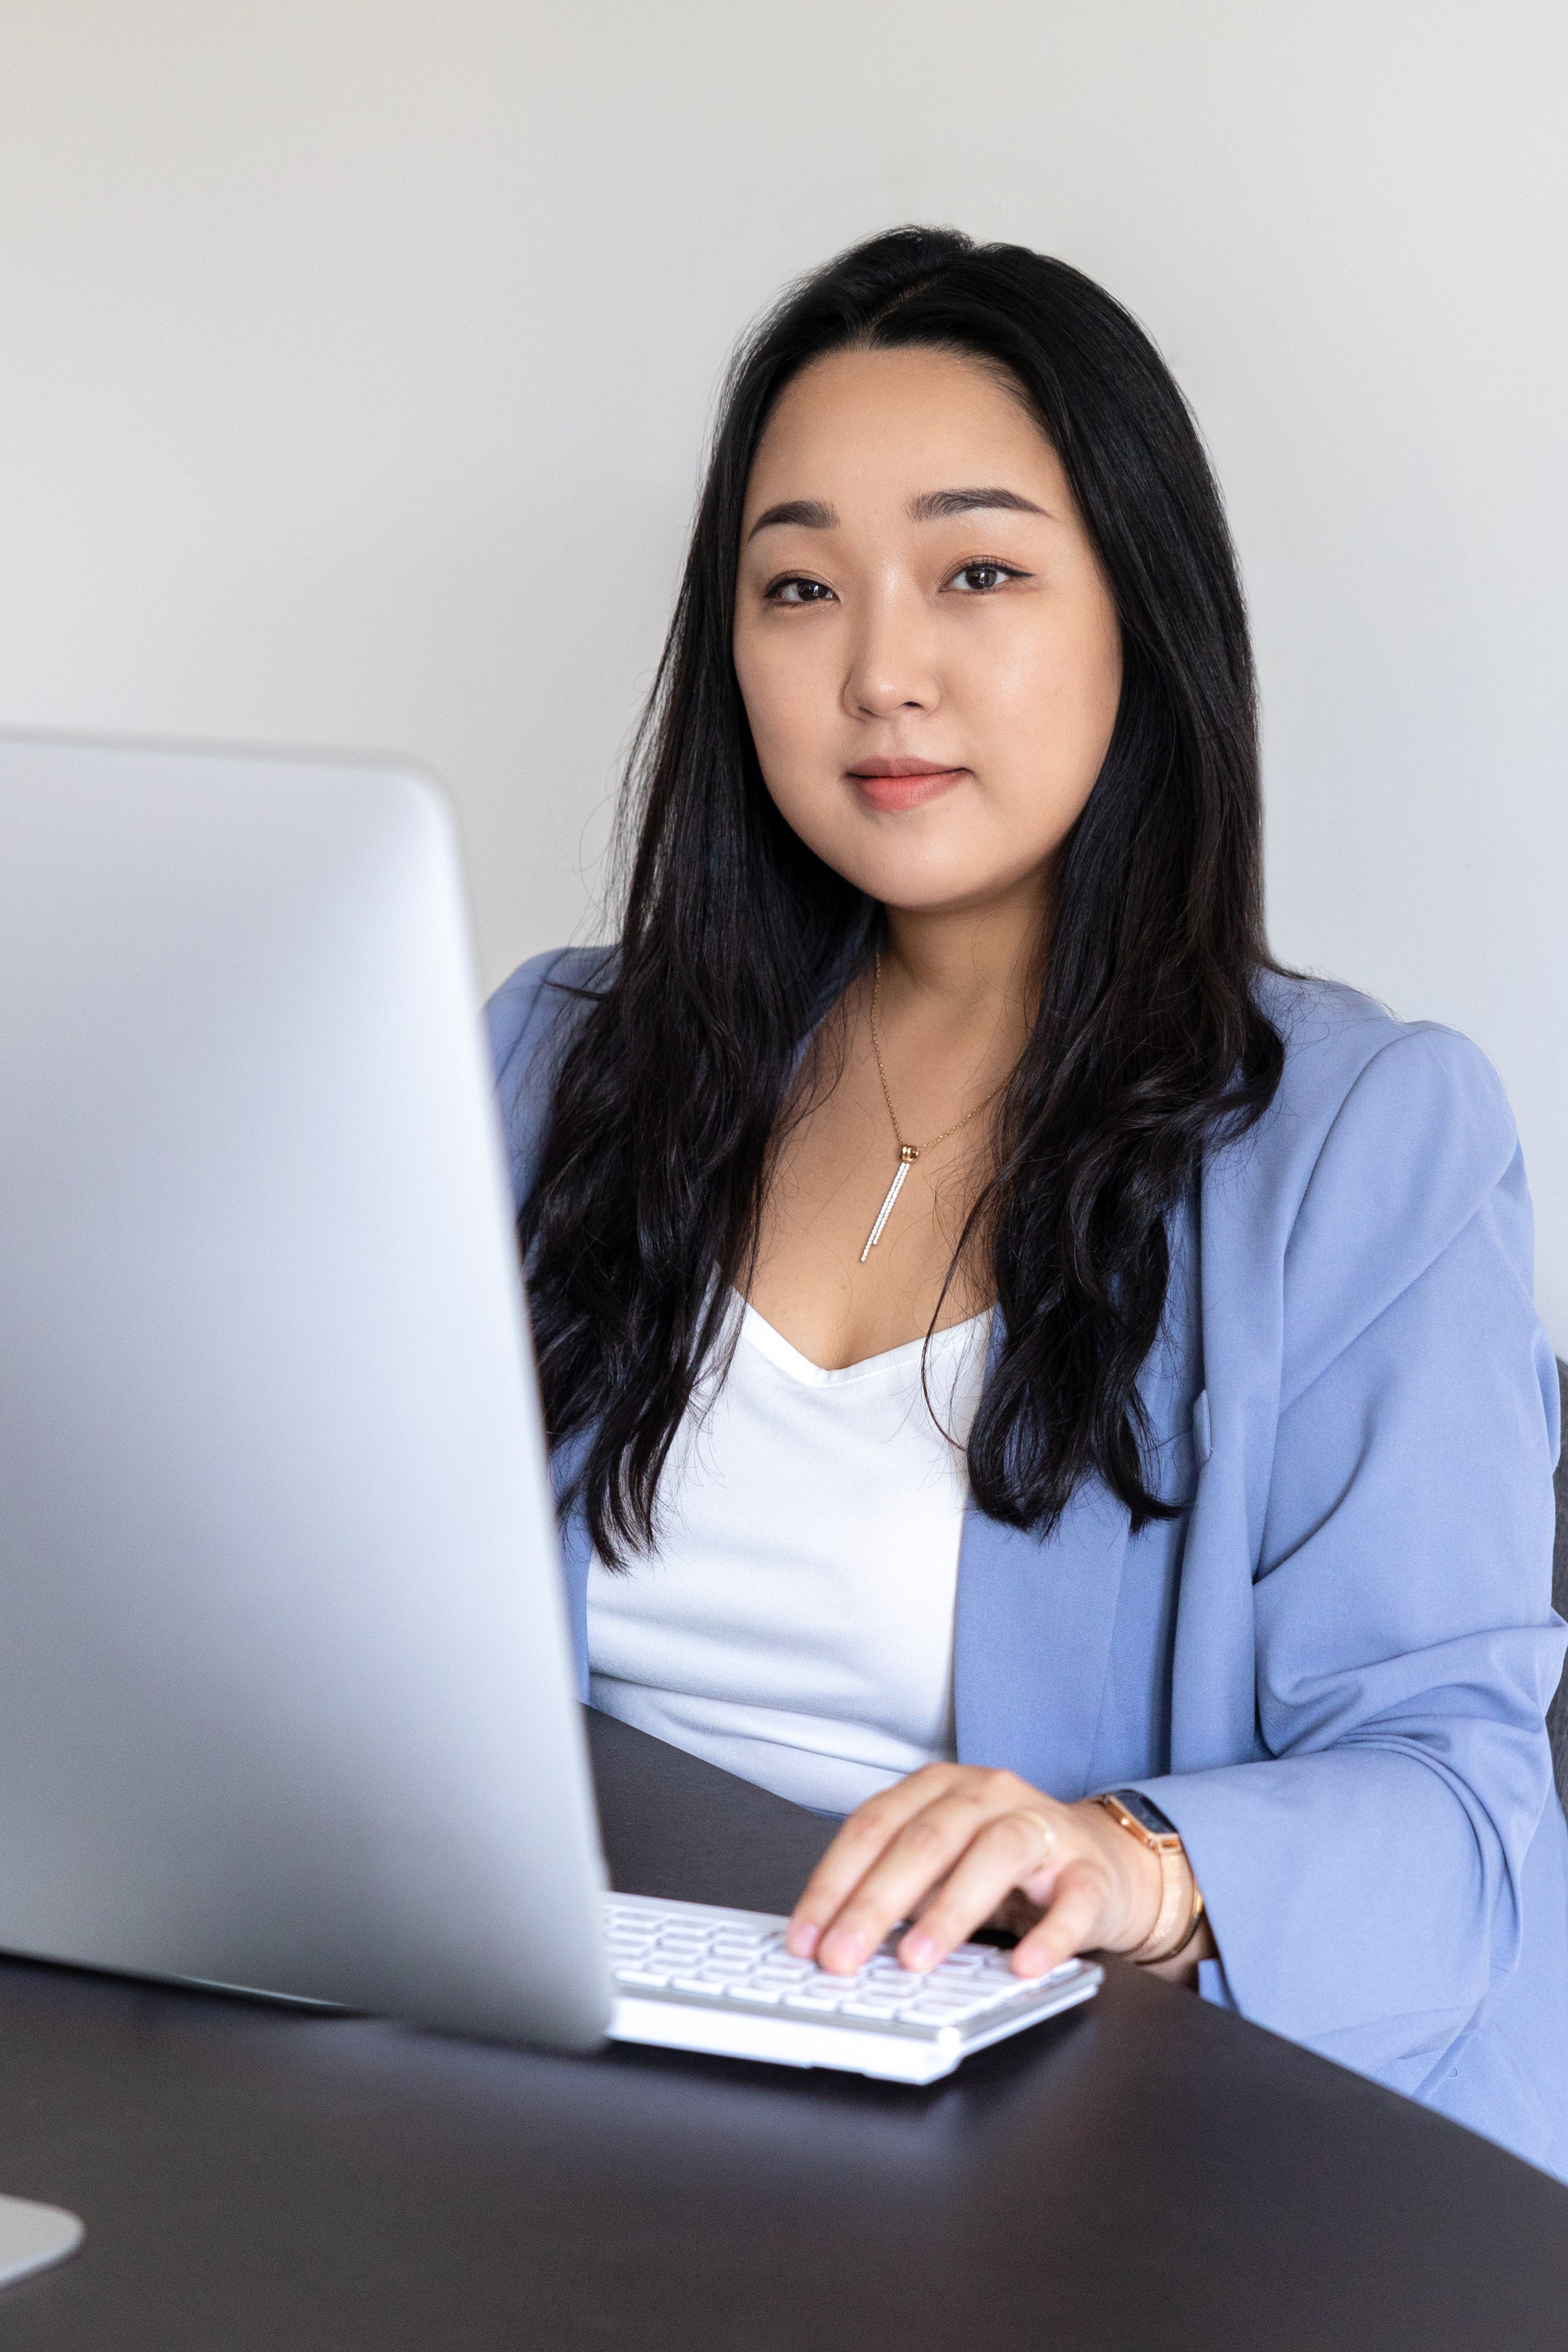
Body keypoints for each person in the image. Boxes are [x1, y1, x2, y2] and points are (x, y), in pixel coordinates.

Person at [488, 228, 1567, 2172]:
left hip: (1053, 2148)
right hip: (560, 2058)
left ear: (1140, 617)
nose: (880, 669)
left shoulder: (1360, 1141)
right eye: (798, 586)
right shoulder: (555, 1063)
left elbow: (1466, 1814)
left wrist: (1129, 1860)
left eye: (977, 572)